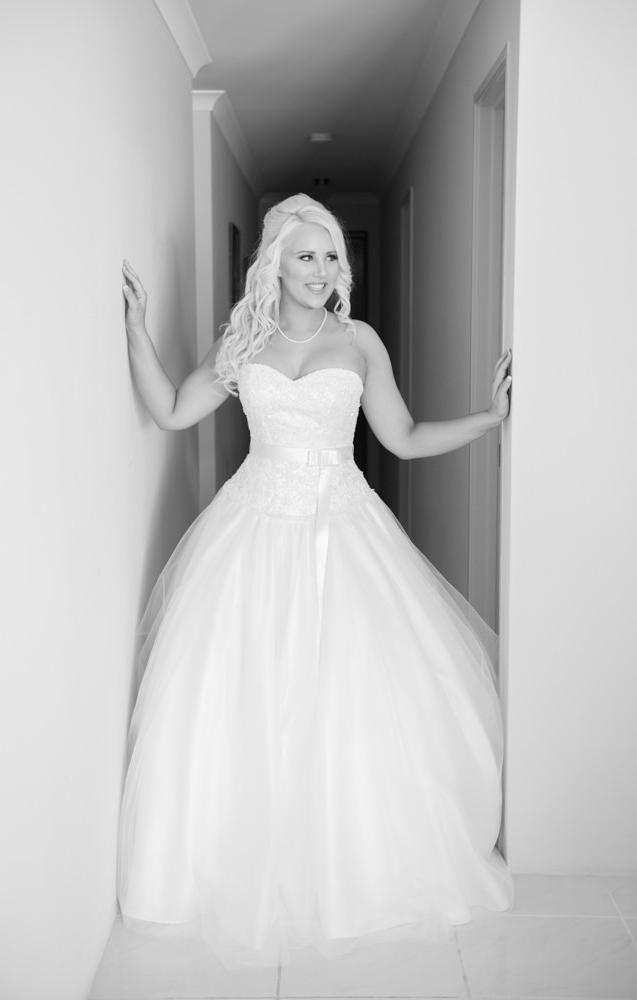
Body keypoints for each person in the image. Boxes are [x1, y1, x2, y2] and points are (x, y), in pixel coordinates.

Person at [117, 193, 513, 968]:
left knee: (350, 697)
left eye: (332, 256)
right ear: (273, 264)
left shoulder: (360, 341)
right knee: (245, 695)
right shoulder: (243, 342)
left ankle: (351, 864)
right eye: (305, 255)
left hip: (345, 529)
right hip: (253, 528)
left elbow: (400, 437)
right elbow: (168, 411)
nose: (323, 270)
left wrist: (489, 420)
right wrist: (137, 333)